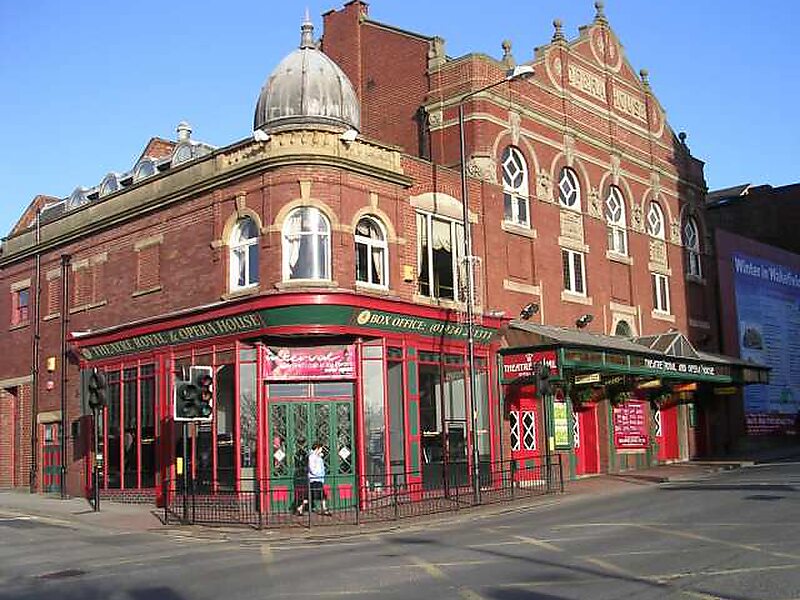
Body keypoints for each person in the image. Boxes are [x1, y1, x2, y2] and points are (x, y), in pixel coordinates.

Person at [307, 442, 332, 516]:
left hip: (319, 479)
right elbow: (312, 468)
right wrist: (318, 474)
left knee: (311, 495)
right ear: (317, 448)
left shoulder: (317, 456)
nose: (322, 450)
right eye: (321, 448)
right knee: (321, 495)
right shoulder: (311, 457)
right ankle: (324, 509)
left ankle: (300, 508)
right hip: (315, 478)